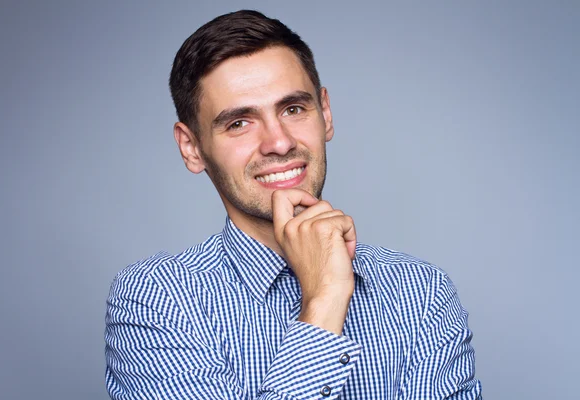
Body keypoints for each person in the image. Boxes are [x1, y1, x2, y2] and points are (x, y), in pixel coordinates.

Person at [104, 9, 482, 400]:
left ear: (326, 114)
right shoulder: (157, 300)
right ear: (192, 147)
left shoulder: (420, 293)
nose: (279, 142)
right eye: (239, 123)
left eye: (293, 109)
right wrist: (324, 298)